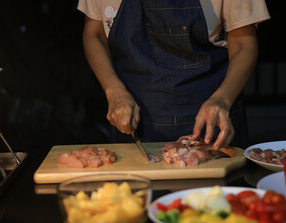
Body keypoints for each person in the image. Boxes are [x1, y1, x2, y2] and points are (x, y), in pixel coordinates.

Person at [77, 0, 270, 150]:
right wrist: (114, 91)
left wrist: (222, 99)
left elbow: (244, 45)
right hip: (133, 120)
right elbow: (94, 35)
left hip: (211, 119)